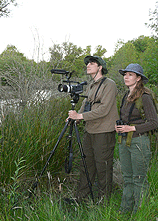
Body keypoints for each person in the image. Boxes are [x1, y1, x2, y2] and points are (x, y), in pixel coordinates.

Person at [68, 55, 119, 202]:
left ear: (100, 67)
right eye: (87, 64)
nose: (88, 66)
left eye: (92, 64)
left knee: (103, 167)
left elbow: (104, 109)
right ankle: (81, 198)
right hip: (89, 131)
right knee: (86, 166)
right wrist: (75, 117)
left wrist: (80, 117)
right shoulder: (91, 85)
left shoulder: (109, 84)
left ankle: (103, 201)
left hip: (103, 132)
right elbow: (86, 105)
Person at [115, 63, 158, 214]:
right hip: (124, 140)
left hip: (139, 141)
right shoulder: (125, 96)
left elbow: (154, 123)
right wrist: (120, 127)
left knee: (139, 179)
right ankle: (125, 211)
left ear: (138, 78)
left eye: (130, 75)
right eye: (125, 74)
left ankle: (139, 213)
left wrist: (132, 128)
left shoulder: (145, 97)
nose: (126, 77)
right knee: (127, 178)